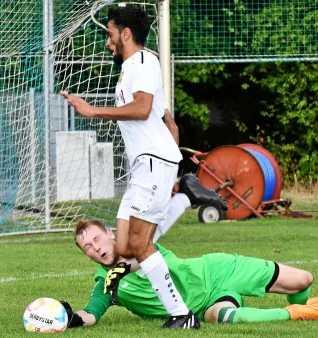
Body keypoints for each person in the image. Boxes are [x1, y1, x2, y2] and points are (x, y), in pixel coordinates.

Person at [59, 4, 226, 329]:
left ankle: (181, 315)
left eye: (109, 34)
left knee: (136, 246)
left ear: (125, 34)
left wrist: (93, 112)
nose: (107, 42)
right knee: (124, 248)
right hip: (151, 163)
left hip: (152, 162)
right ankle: (186, 196)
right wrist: (171, 157)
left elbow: (143, 108)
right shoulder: (132, 68)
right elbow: (166, 119)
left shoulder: (144, 61)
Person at [59, 220, 318, 329]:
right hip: (202, 305)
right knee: (225, 317)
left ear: (110, 234)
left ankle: (300, 301)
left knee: (304, 280)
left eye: (96, 238)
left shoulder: (139, 244)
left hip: (218, 269)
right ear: (87, 256)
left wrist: (119, 270)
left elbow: (141, 260)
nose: (95, 247)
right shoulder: (106, 283)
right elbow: (91, 313)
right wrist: (68, 319)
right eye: (88, 247)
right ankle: (299, 314)